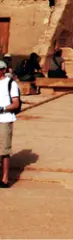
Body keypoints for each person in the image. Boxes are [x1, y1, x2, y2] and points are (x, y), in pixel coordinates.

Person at [0, 60, 21, 188]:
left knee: (4, 150)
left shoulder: (10, 84)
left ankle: (5, 178)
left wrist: (2, 109)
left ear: (3, 70)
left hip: (5, 119)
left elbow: (16, 104)